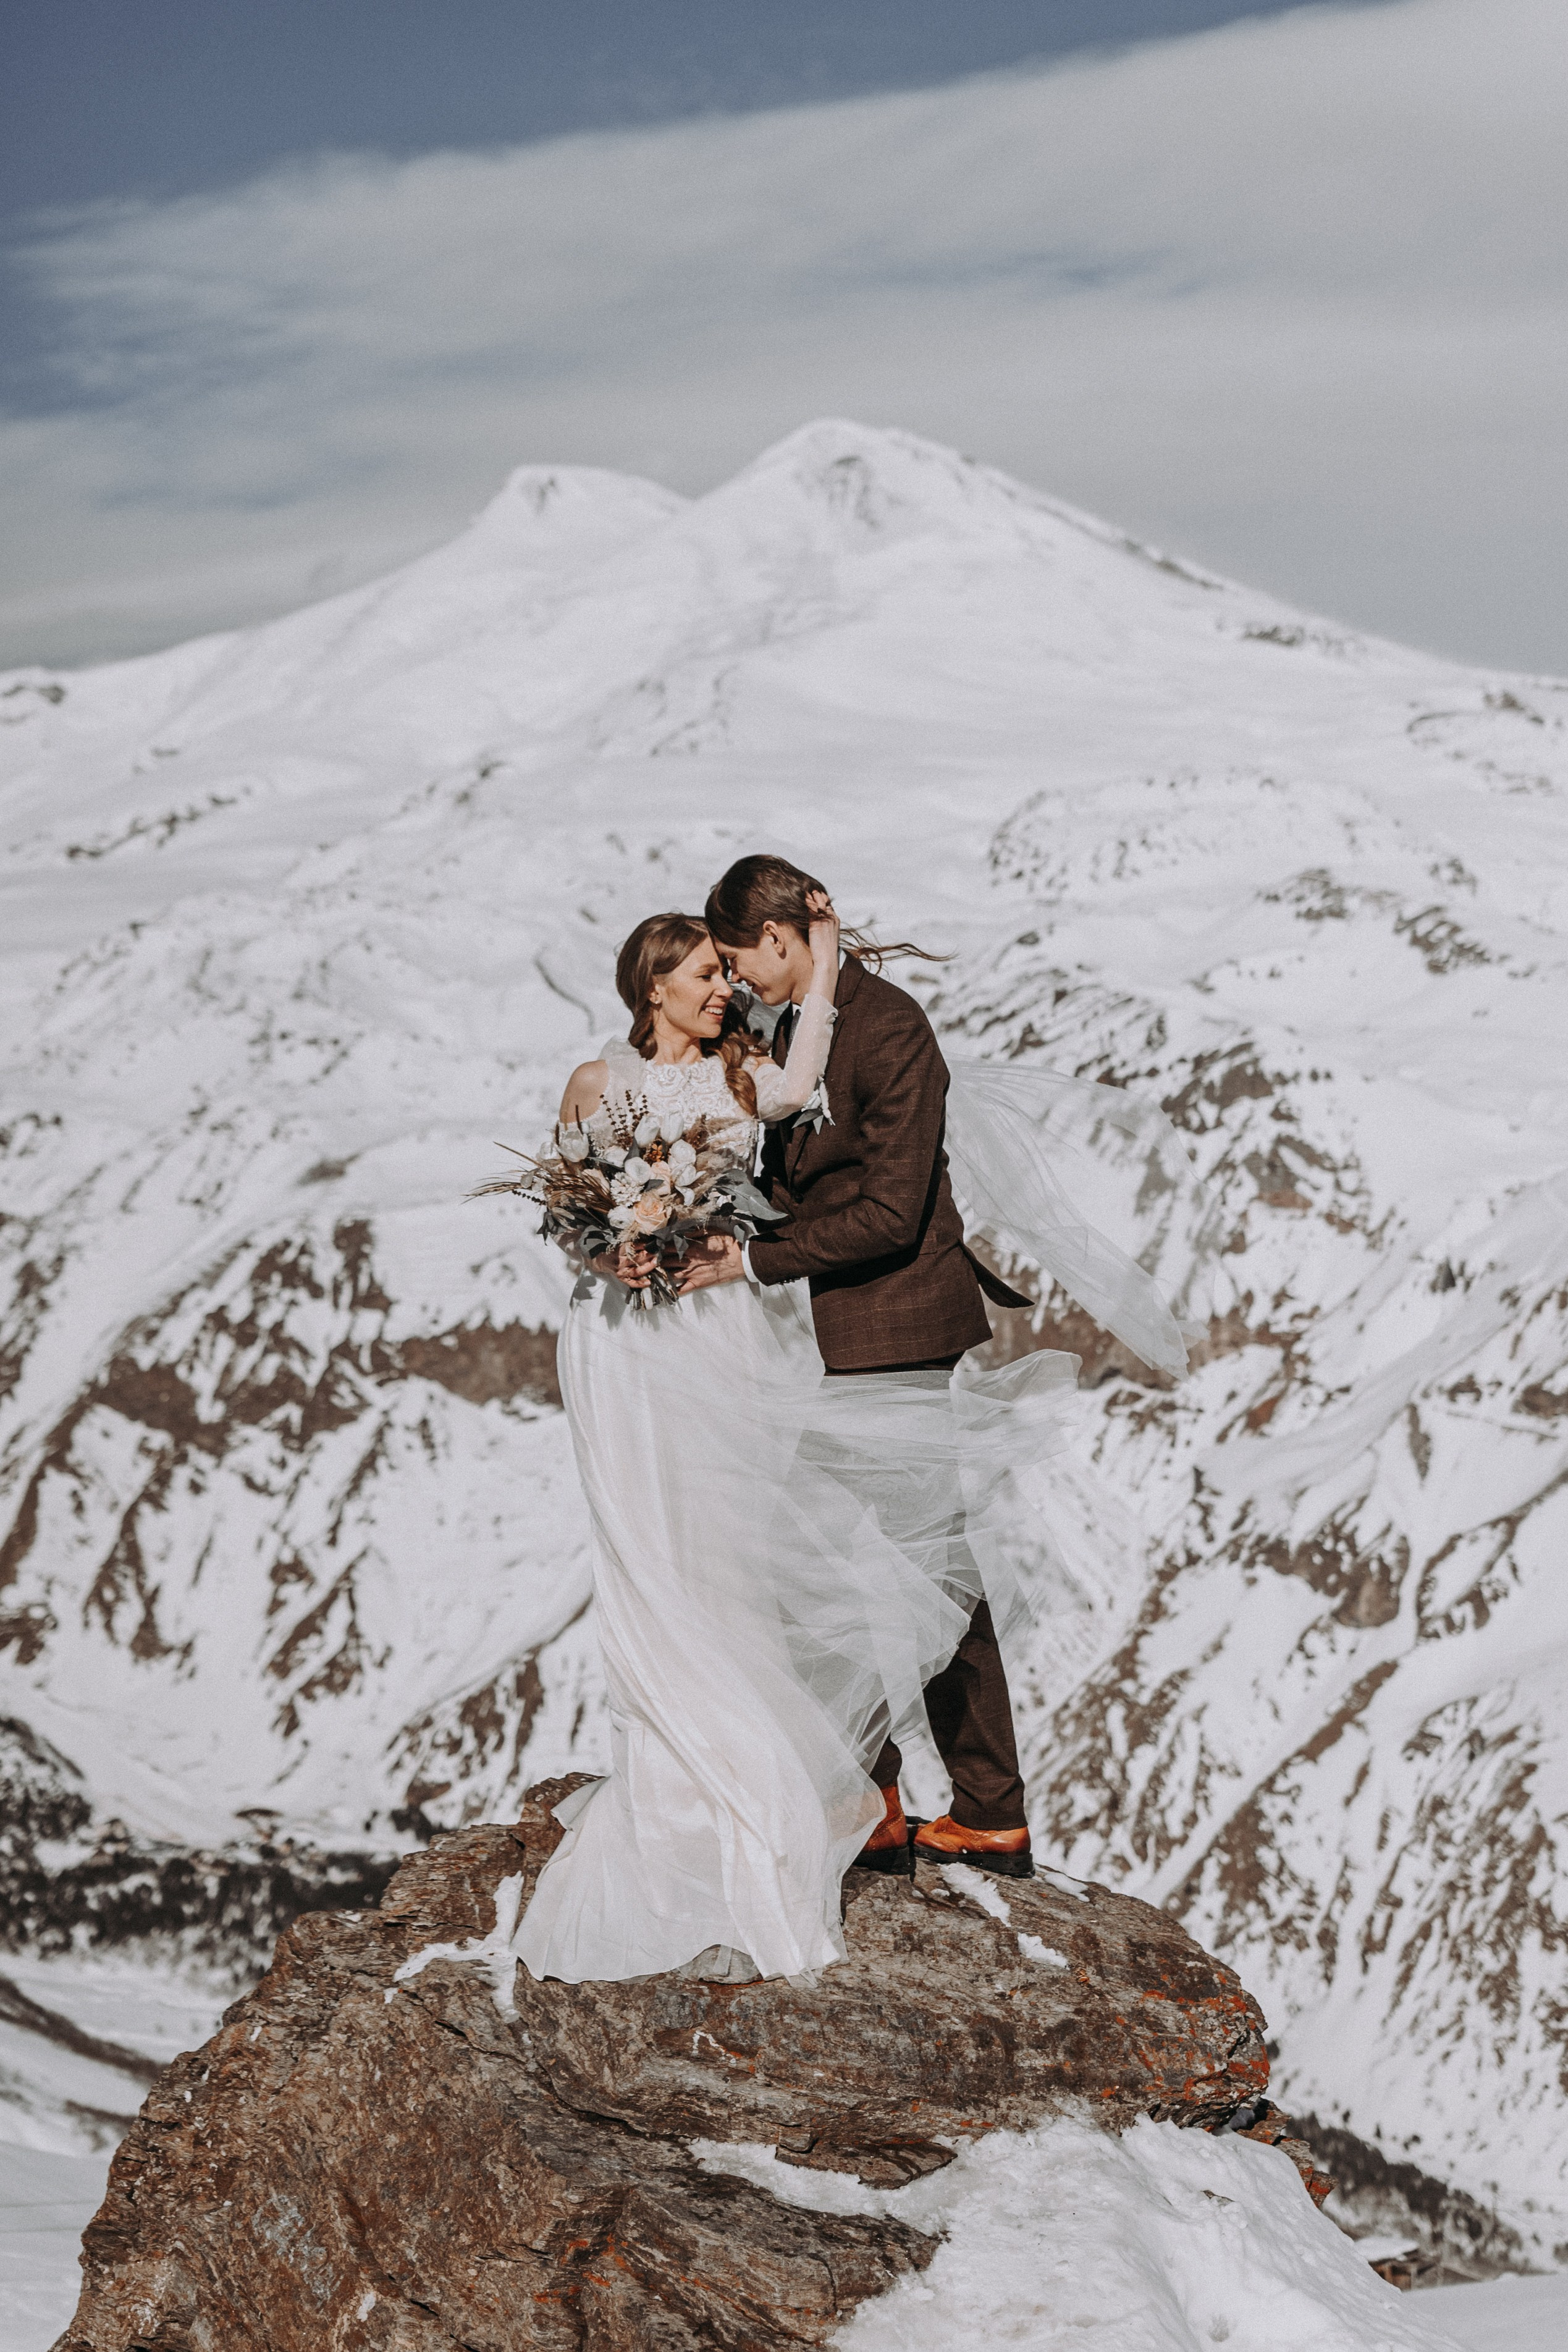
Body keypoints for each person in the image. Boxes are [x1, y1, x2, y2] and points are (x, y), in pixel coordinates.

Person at [693, 855, 1037, 1876]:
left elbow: (889, 1214)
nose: (738, 982)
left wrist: (751, 1260)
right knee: (902, 1571)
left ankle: (923, 1803)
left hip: (900, 1332)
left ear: (785, 936)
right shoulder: (798, 1028)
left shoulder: (888, 1029)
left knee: (843, 1569)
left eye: (741, 959)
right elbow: (800, 1180)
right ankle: (934, 1802)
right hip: (854, 1339)